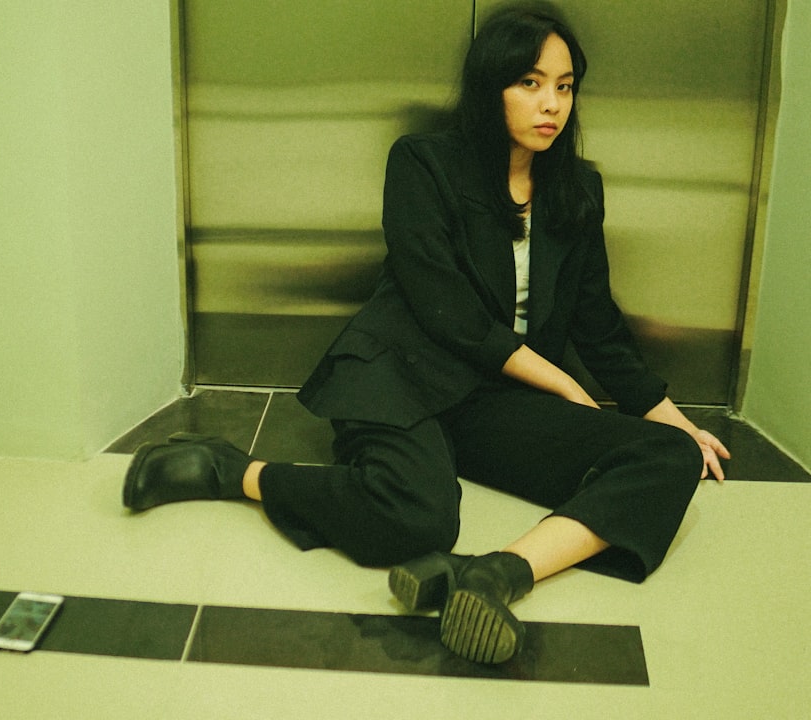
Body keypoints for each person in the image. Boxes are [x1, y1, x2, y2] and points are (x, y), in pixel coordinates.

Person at [122, 3, 730, 665]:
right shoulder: (424, 164)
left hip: (495, 404)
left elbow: (598, 322)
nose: (550, 103)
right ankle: (232, 470)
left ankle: (493, 573)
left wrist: (671, 420)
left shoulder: (575, 189)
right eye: (529, 82)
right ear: (488, 86)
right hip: (403, 373)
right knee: (414, 519)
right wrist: (562, 383)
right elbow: (446, 310)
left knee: (670, 457)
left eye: (563, 85)